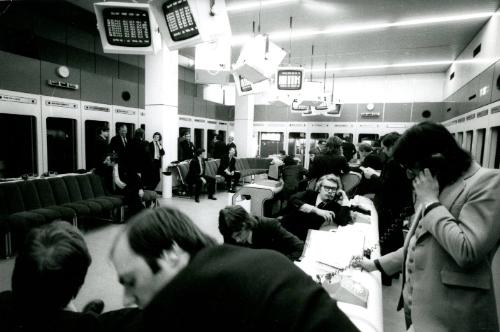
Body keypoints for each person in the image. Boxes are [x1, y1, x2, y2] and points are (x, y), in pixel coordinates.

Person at [109, 207, 359, 332]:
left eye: (130, 281)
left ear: (172, 255)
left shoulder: (202, 296)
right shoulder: (227, 269)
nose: (127, 298)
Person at [354, 122, 500, 332]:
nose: (409, 175)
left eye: (411, 168)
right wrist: (375, 264)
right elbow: (418, 245)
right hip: (420, 314)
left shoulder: (488, 182)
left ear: (435, 159)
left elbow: (468, 251)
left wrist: (430, 202)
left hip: (455, 319)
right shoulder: (440, 184)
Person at [0, 221, 142, 332]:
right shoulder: (92, 327)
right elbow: (156, 314)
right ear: (78, 287)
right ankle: (85, 313)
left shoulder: (4, 300)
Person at [359, 132, 413, 287]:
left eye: (384, 147)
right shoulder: (403, 161)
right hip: (399, 207)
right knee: (394, 237)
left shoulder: (393, 162)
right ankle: (394, 271)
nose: (382, 151)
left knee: (385, 239)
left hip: (388, 207)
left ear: (391, 146)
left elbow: (385, 187)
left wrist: (372, 176)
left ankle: (385, 275)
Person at [218, 205, 304, 261]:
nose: (237, 240)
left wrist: (279, 265)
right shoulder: (229, 233)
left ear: (245, 224)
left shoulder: (269, 225)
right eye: (233, 237)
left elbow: (299, 246)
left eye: (238, 234)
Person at [281, 174, 352, 240]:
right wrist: (316, 210)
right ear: (320, 188)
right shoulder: (308, 194)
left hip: (305, 238)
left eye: (333, 189)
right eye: (327, 188)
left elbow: (343, 222)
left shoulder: (334, 206)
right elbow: (293, 200)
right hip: (285, 230)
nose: (330, 191)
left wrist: (345, 202)